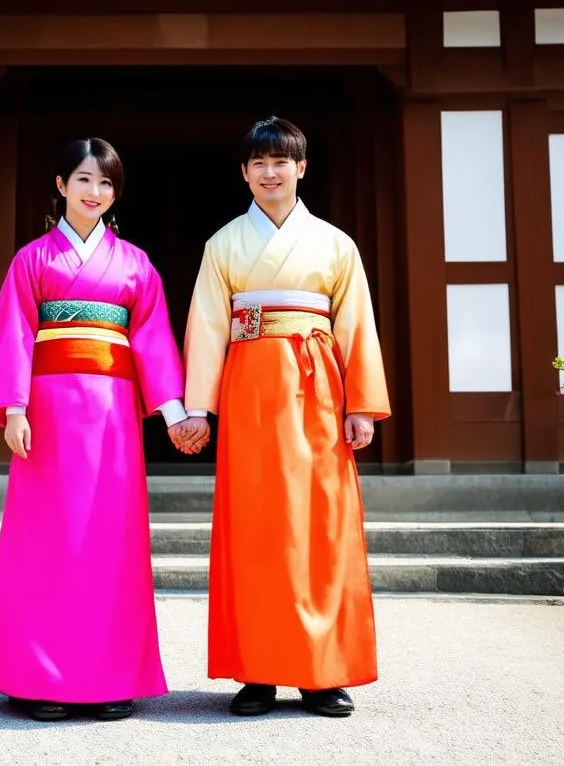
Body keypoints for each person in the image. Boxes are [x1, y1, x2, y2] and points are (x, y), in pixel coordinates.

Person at [172, 116, 390, 718]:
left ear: (302, 167)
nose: (270, 173)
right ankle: (257, 673)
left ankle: (321, 672)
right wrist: (199, 408)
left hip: (317, 392)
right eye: (259, 164)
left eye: (281, 162)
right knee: (257, 526)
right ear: (244, 172)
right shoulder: (223, 245)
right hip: (250, 392)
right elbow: (209, 328)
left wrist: (362, 406)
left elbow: (356, 325)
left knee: (321, 526)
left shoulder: (336, 245)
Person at [0, 137, 189, 722]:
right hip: (47, 415)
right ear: (61, 185)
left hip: (113, 415)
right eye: (84, 179)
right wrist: (14, 408)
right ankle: (35, 677)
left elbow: (151, 339)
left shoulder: (135, 264)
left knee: (110, 541)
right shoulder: (32, 261)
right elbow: (15, 336)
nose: (94, 192)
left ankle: (110, 676)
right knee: (46, 540)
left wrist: (174, 411)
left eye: (106, 183)